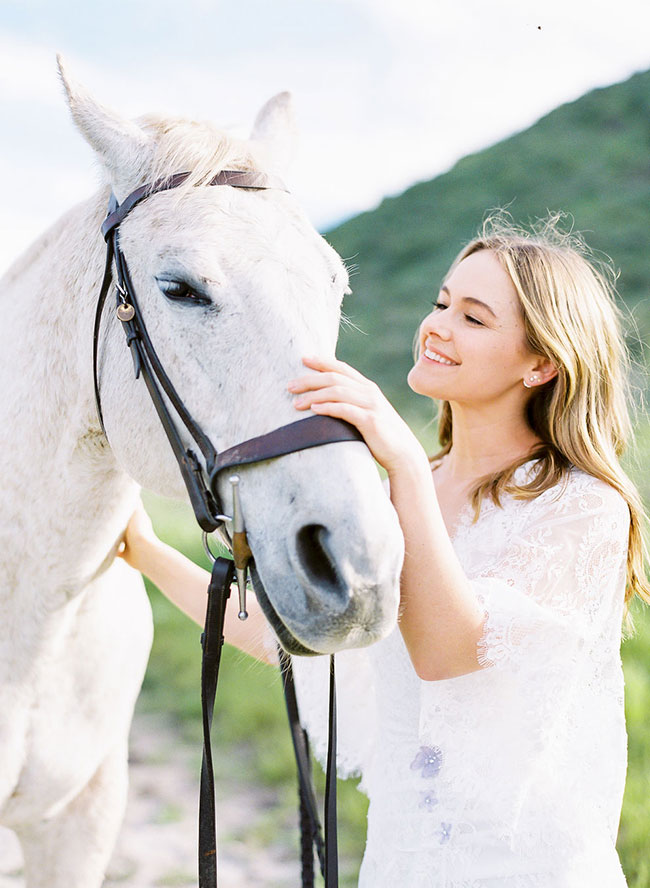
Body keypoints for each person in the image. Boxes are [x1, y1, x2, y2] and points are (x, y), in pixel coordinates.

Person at [119, 214, 649, 887]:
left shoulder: (583, 508)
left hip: (525, 869)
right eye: (441, 304)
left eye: (474, 319)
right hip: (402, 862)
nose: (438, 326)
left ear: (541, 363)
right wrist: (143, 549)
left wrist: (398, 458)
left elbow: (447, 652)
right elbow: (296, 636)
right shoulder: (413, 488)